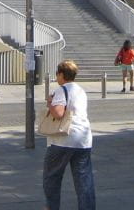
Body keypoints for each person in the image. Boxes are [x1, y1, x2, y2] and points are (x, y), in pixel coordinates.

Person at [43, 60, 95, 210]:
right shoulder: (80, 91)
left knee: (51, 177)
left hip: (62, 140)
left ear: (61, 74)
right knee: (84, 180)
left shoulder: (61, 90)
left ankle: (51, 207)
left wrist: (50, 104)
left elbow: (58, 113)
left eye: (57, 74)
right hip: (83, 139)